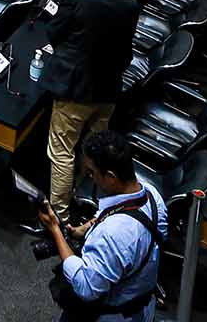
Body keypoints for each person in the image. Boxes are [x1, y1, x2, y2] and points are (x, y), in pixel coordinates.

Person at [38, 0, 140, 214]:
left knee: (61, 151)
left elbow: (54, 31)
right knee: (97, 151)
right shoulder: (130, 4)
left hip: (75, 88)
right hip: (108, 88)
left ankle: (59, 214)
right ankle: (96, 204)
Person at [36, 130, 166, 322]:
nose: (91, 178)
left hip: (112, 315)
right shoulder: (153, 195)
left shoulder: (113, 234)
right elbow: (118, 210)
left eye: (92, 172)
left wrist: (56, 231)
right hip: (142, 302)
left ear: (111, 176)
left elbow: (86, 288)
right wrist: (84, 229)